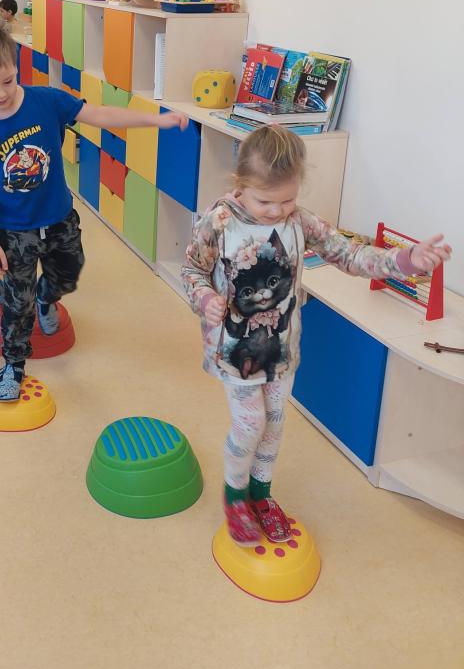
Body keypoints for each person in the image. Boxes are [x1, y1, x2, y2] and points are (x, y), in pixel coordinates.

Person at [181, 125, 452, 547]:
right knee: (250, 423)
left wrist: (405, 261)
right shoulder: (218, 222)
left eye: (287, 199)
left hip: (281, 350)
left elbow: (350, 254)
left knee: (274, 423)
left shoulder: (299, 220)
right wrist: (205, 299)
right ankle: (235, 497)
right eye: (264, 201)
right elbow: (192, 270)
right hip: (235, 351)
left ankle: (261, 494)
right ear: (240, 184)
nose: (277, 211)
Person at [0, 21, 188, 401]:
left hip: (60, 219)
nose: (0, 93)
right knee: (17, 304)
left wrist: (155, 119)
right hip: (15, 230)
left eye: (8, 81)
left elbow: (101, 116)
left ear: (15, 64)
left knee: (68, 274)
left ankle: (48, 299)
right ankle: (13, 366)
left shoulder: (47, 101)